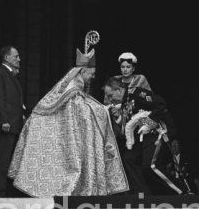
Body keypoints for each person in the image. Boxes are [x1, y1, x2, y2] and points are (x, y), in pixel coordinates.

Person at [9, 43, 129, 197]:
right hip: (71, 139)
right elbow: (80, 111)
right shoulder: (72, 88)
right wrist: (102, 110)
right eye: (91, 73)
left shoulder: (75, 85)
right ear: (83, 71)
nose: (93, 77)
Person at [103, 76, 178, 195]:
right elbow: (127, 127)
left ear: (119, 90)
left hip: (155, 133)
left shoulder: (137, 93)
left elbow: (160, 105)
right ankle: (144, 195)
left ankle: (181, 192)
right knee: (129, 159)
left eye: (110, 95)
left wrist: (148, 124)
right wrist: (118, 117)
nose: (109, 99)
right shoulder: (124, 102)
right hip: (140, 139)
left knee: (150, 166)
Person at [0, 46, 24, 197]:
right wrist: (4, 120)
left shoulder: (12, 75)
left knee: (9, 163)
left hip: (14, 126)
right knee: (1, 163)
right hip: (5, 126)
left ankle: (6, 193)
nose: (19, 59)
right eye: (16, 56)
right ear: (7, 58)